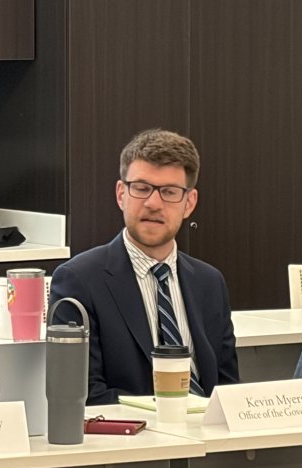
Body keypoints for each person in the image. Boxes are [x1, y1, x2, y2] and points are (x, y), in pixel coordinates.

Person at [49, 128, 239, 405]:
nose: (153, 203)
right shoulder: (79, 280)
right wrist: (172, 413)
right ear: (120, 194)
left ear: (189, 203)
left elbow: (227, 388)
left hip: (207, 439)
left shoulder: (209, 282)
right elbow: (83, 395)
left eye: (170, 192)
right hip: (134, 440)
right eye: (141, 188)